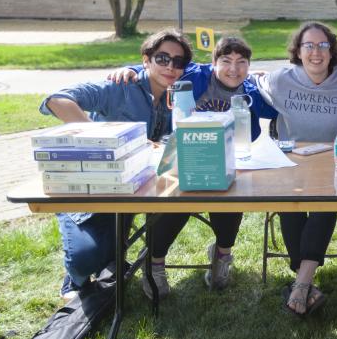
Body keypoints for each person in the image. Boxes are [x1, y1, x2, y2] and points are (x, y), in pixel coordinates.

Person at [110, 36, 278, 299]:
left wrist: (268, 81)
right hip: (187, 156)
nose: (234, 69)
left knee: (231, 198)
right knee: (176, 199)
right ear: (213, 63)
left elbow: (281, 107)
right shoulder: (196, 75)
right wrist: (133, 68)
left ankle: (222, 254)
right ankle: (154, 263)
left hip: (229, 161)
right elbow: (160, 66)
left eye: (241, 63)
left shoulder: (251, 91)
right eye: (226, 61)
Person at [39, 29, 192, 301]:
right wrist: (103, 142)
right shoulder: (119, 87)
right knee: (87, 259)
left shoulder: (174, 97)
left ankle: (136, 260)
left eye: (178, 62)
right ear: (147, 59)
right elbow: (56, 100)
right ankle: (74, 278)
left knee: (180, 202)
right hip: (89, 189)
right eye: (163, 58)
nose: (170, 66)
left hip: (131, 189)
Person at [258, 21, 337, 316]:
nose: (316, 52)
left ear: (332, 51)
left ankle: (301, 284)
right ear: (298, 51)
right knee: (289, 204)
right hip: (290, 167)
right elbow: (241, 79)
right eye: (309, 45)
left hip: (331, 170)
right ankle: (304, 283)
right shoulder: (280, 80)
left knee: (326, 203)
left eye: (323, 45)